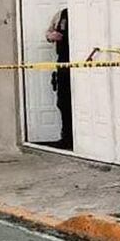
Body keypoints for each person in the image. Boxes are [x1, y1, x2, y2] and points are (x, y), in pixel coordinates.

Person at [46, 8, 73, 150]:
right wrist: (52, 36)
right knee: (63, 101)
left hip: (84, 61)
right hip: (64, 62)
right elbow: (48, 33)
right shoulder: (62, 14)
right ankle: (67, 138)